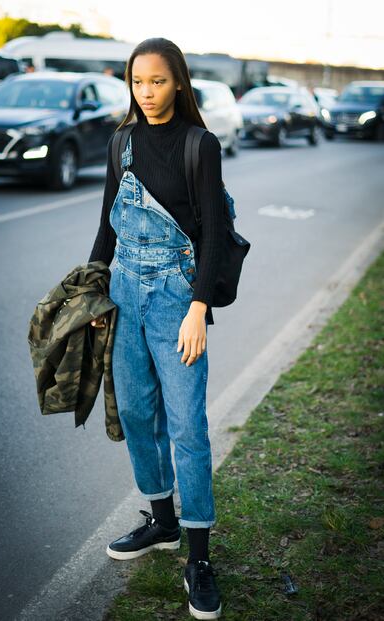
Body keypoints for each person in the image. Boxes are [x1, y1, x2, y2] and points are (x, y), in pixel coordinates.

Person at [88, 37, 224, 620]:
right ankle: (162, 523)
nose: (146, 93)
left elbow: (215, 233)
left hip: (176, 298)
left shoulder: (201, 145)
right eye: (138, 82)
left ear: (179, 83)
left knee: (188, 425)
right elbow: (106, 223)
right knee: (139, 416)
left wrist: (198, 307)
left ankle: (198, 555)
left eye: (158, 82)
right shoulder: (121, 140)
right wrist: (94, 290)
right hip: (123, 290)